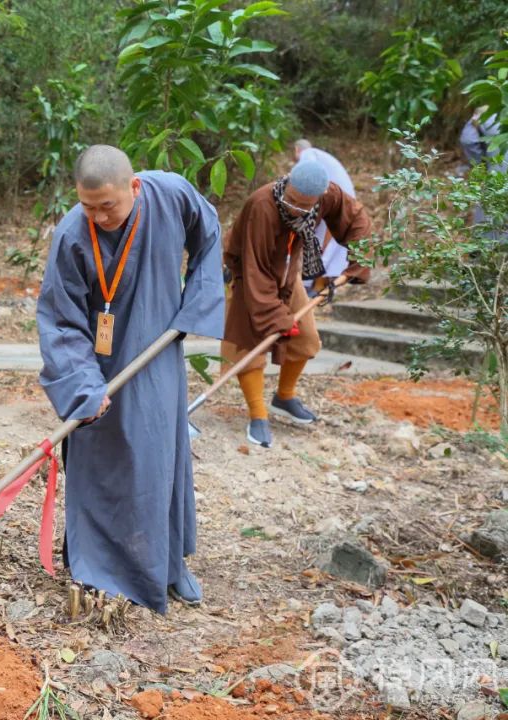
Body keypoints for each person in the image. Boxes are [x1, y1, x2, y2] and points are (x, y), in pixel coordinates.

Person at [36, 145, 224, 611]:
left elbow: (210, 233)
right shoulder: (71, 236)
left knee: (159, 455)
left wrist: (194, 305)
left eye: (108, 206)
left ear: (133, 188)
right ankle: (100, 564)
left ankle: (167, 565)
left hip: (157, 351)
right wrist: (82, 385)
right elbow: (61, 321)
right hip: (97, 365)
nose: (98, 217)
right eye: (88, 206)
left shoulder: (172, 196)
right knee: (104, 458)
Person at [222, 160, 371, 449]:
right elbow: (257, 271)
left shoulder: (329, 195)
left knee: (306, 338)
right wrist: (277, 317)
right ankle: (258, 415)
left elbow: (356, 220)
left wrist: (357, 261)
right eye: (291, 201)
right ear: (287, 183)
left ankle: (284, 396)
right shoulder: (262, 206)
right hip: (247, 271)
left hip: (287, 269)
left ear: (320, 196)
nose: (294, 208)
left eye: (304, 205)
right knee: (250, 344)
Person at [293, 140, 357, 298]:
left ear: (296, 150)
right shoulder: (323, 157)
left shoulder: (308, 154)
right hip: (341, 199)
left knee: (327, 246)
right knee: (326, 245)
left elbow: (307, 175)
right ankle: (312, 287)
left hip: (334, 199)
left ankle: (314, 289)